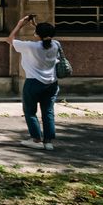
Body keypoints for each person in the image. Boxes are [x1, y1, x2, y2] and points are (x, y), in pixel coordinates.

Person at [9, 13, 65, 149]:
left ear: (37, 33)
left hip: (33, 83)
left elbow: (10, 39)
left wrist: (20, 24)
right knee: (48, 111)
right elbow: (45, 35)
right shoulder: (56, 45)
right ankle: (48, 142)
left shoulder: (30, 46)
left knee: (30, 111)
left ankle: (35, 140)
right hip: (51, 83)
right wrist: (36, 25)